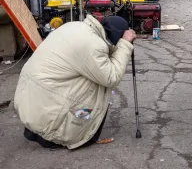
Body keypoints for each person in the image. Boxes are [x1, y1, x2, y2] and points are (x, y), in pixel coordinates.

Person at [14, 15, 136, 149]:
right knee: (99, 85)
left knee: (90, 74)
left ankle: (39, 128)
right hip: (46, 107)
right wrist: (125, 44)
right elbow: (112, 77)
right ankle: (56, 134)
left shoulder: (76, 26)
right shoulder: (94, 45)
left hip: (32, 100)